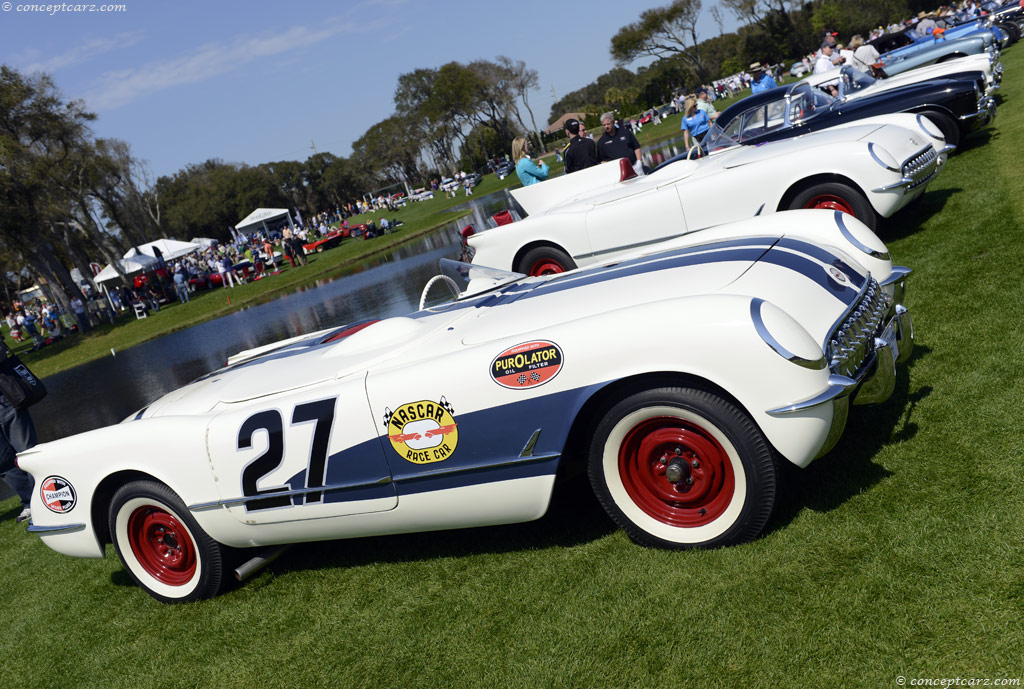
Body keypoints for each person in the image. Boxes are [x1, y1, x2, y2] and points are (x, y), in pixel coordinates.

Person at [0, 334, 38, 524]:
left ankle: (43, 499)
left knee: (27, 451)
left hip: (6, 401)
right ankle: (30, 502)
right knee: (3, 463)